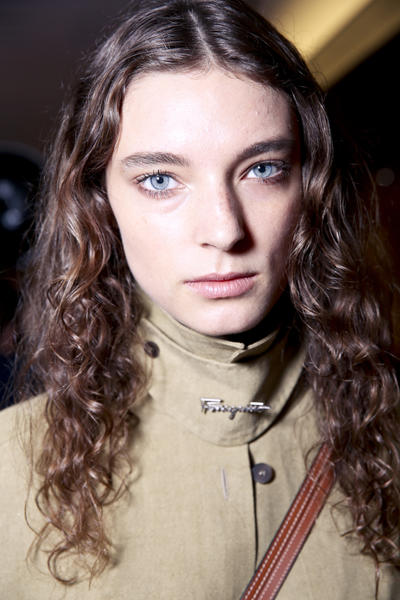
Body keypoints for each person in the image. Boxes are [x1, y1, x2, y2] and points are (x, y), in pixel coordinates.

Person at [1, 0, 399, 597]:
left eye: (262, 169)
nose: (224, 229)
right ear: (99, 206)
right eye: (160, 179)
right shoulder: (8, 470)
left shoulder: (388, 426)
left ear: (310, 187)